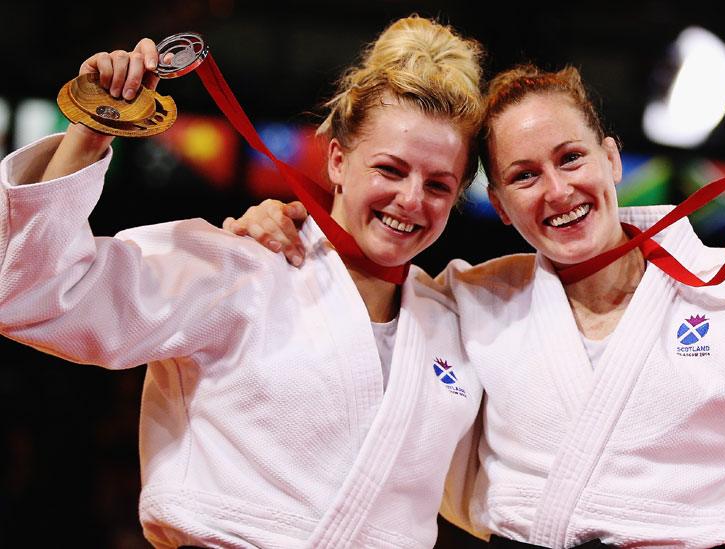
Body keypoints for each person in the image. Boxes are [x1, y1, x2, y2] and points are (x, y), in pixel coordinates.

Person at [227, 65, 725, 548]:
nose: (556, 191)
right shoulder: (472, 298)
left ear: (613, 159)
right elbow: (366, 303)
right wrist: (281, 228)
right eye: (523, 174)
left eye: (571, 158)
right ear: (499, 203)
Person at [0, 16, 486, 548]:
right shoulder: (240, 265)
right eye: (391, 170)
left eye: (438, 184)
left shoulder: (457, 325)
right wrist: (91, 128)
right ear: (338, 160)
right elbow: (33, 295)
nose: (412, 200)